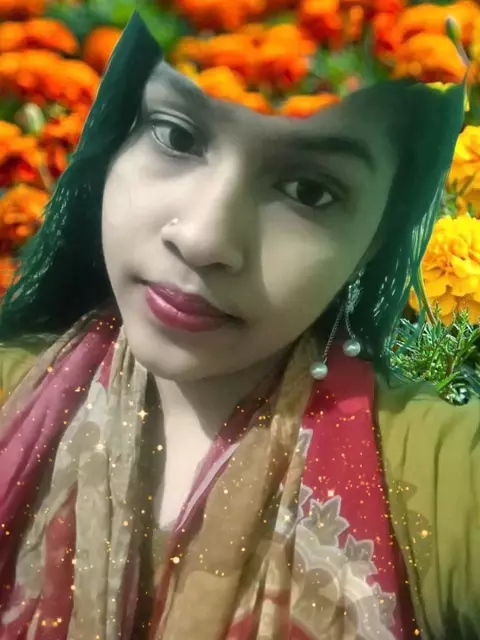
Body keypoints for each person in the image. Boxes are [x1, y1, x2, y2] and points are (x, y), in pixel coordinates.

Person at [0, 10, 478, 640]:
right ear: (116, 133)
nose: (204, 239)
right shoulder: (10, 392)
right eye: (175, 135)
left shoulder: (437, 480)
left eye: (309, 190)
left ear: (377, 239)